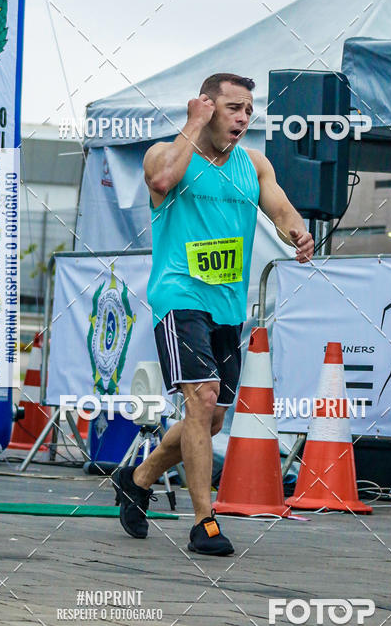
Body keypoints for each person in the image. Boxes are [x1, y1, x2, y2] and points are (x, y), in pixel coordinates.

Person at [114, 73, 314, 555]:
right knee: (201, 399)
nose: (243, 118)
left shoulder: (254, 164)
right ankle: (204, 522)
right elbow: (161, 181)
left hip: (227, 305)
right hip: (179, 294)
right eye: (233, 108)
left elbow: (281, 210)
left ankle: (137, 478)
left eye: (248, 110)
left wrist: (297, 233)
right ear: (205, 107)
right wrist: (192, 124)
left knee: (212, 418)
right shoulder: (165, 154)